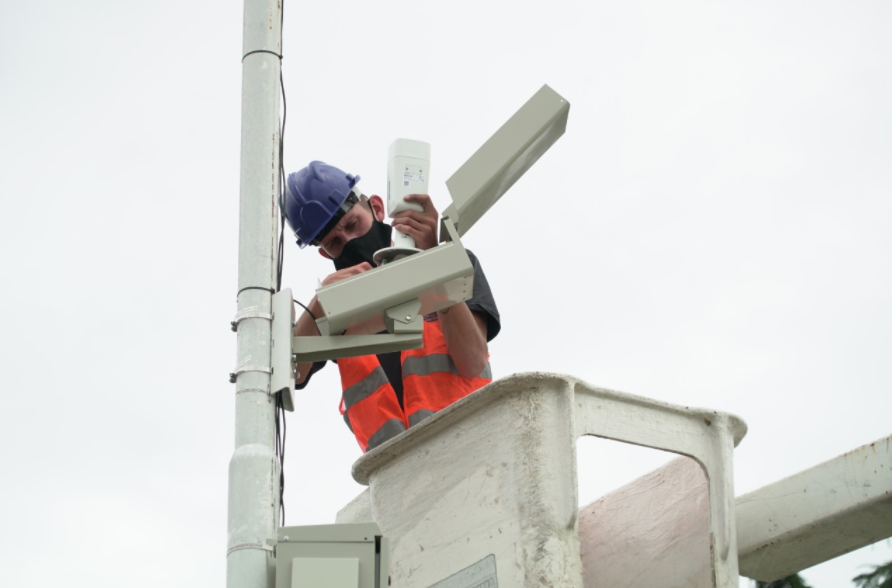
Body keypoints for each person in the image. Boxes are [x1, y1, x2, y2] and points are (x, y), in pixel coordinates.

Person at [283, 160, 500, 452]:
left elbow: (473, 361)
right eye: (334, 243)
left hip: (471, 444)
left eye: (352, 224)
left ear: (376, 207)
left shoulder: (454, 264)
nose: (348, 241)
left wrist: (433, 264)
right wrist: (320, 304)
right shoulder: (337, 309)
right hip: (396, 473)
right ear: (324, 253)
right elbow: (292, 373)